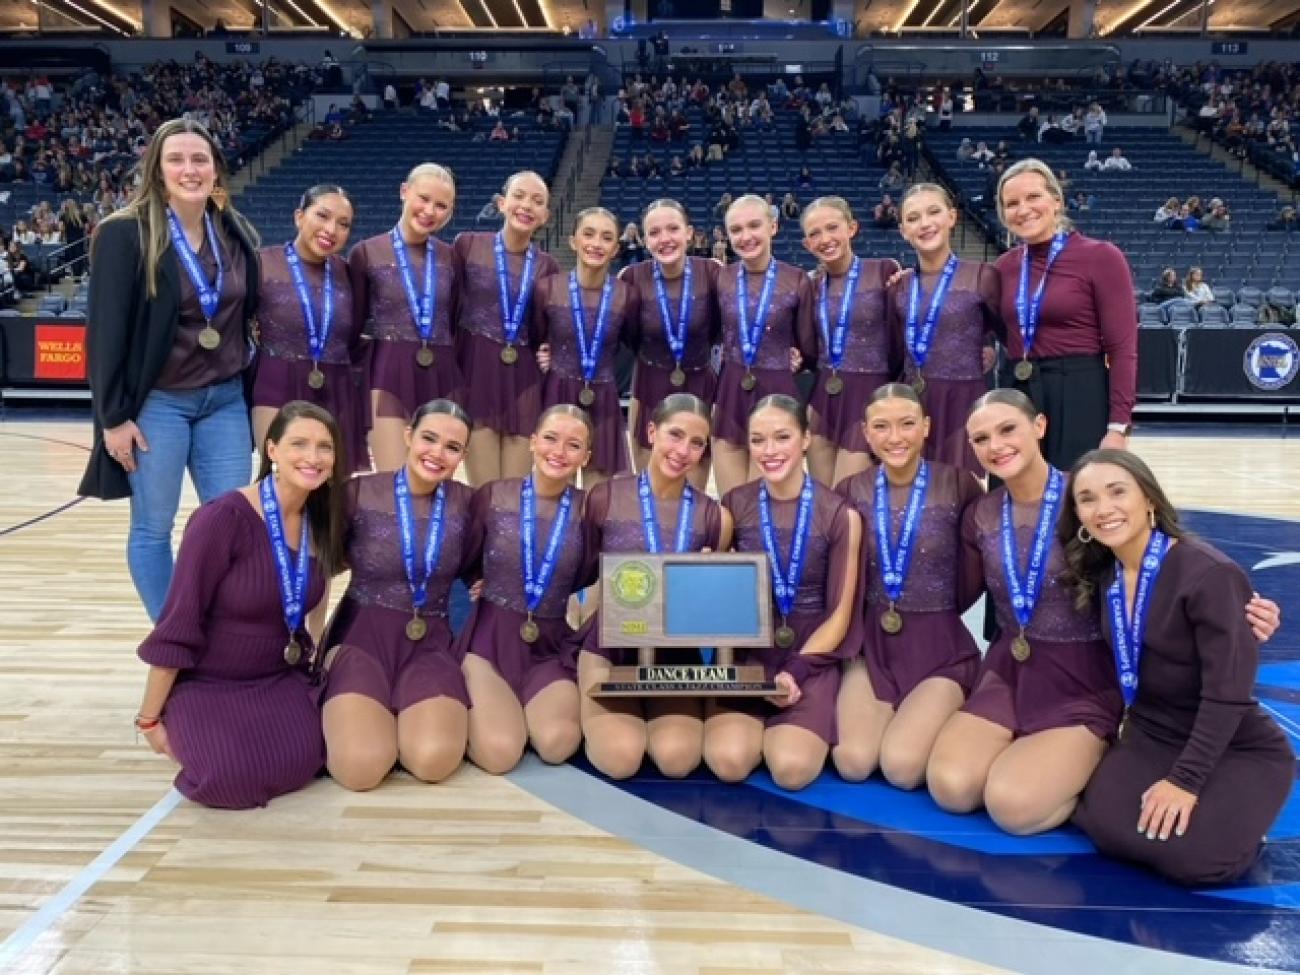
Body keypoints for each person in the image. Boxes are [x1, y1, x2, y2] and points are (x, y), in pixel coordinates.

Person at [1062, 450, 1292, 884]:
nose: (1104, 509)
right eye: (1087, 499)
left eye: (1117, 492)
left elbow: (1228, 694)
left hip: (1230, 741)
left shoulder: (1208, 574)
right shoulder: (1104, 574)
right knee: (1104, 827)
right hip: (1153, 733)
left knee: (1195, 863)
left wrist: (1184, 781)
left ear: (1149, 498)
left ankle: (1240, 825)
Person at [78, 117, 262, 621]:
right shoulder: (123, 233)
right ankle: (174, 641)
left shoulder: (234, 230)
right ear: (157, 171)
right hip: (158, 403)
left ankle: (222, 638)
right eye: (176, 159)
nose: (189, 169)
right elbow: (106, 334)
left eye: (199, 159)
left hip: (224, 400)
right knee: (153, 527)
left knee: (230, 526)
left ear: (216, 169)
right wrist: (112, 419)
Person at [925, 390, 1122, 834]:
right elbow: (955, 594)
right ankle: (1039, 760)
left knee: (1011, 808)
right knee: (952, 789)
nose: (995, 445)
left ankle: (1094, 755)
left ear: (1039, 426)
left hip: (1081, 678)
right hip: (1008, 670)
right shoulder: (981, 513)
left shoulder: (1087, 494)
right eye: (981, 439)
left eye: (1007, 429)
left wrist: (1232, 603)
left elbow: (1156, 555)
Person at [135, 401, 346, 808]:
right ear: (271, 451)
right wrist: (149, 720)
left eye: (325, 447)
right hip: (210, 683)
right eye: (299, 443)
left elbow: (313, 597)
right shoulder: (222, 519)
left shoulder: (321, 520)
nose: (313, 457)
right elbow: (179, 622)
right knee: (229, 781)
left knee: (308, 763)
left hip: (278, 676)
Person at [322, 400, 478, 790]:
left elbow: (485, 562)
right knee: (359, 770)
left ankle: (398, 716)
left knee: (433, 761)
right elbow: (321, 567)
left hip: (432, 642)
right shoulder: (358, 492)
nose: (437, 454)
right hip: (362, 636)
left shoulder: (467, 503)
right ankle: (374, 717)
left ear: (463, 456)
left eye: (452, 447)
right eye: (428, 438)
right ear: (408, 436)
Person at [832, 385, 983, 785]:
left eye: (907, 424)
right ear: (865, 433)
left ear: (927, 427)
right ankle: (895, 714)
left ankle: (938, 710)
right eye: (881, 426)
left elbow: (976, 569)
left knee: (901, 767)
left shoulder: (960, 484)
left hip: (940, 648)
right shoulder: (850, 491)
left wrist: (940, 609)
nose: (895, 437)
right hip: (871, 648)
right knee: (853, 761)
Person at [709, 396, 862, 790]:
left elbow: (840, 615)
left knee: (791, 770)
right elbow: (715, 596)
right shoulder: (734, 506)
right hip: (749, 655)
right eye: (758, 440)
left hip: (809, 657)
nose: (770, 451)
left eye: (782, 437)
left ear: (806, 439)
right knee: (729, 762)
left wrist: (795, 672)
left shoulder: (839, 512)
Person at [576, 394, 730, 779]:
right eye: (675, 435)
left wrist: (710, 582)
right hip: (609, 645)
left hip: (674, 654)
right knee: (622, 759)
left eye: (696, 443)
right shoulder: (605, 497)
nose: (683, 451)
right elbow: (580, 573)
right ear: (651, 432)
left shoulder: (713, 516)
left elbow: (710, 604)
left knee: (677, 760)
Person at [456, 405, 594, 774]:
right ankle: (497, 713)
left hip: (549, 645)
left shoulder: (589, 511)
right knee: (500, 754)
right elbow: (463, 555)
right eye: (550, 438)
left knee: (557, 744)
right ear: (533, 442)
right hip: (490, 641)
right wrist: (476, 581)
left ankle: (517, 712)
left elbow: (602, 568)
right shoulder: (492, 496)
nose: (559, 451)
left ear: (586, 457)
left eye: (573, 445)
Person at [993, 158, 1137, 470]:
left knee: (1073, 503)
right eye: (1012, 203)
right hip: (1018, 392)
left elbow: (1123, 349)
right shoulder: (1003, 267)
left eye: (1033, 197)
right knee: (1014, 504)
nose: (1023, 209)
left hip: (1079, 392)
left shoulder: (1100, 256)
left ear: (1056, 201)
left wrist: (1118, 427)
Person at [349, 163, 463, 472]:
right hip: (387, 372)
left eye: (441, 206)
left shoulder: (452, 257)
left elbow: (455, 318)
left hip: (441, 373)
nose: (430, 210)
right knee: (392, 480)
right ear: (404, 192)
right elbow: (352, 323)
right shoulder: (366, 252)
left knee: (434, 479)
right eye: (423, 198)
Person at [453, 170, 559, 485]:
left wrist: (552, 350)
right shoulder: (468, 245)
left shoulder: (547, 266)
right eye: (519, 196)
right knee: (483, 491)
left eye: (537, 201)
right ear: (501, 203)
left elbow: (550, 327)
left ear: (545, 215)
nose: (527, 205)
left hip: (523, 382)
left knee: (514, 496)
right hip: (475, 376)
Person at [889, 184, 1003, 476]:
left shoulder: (983, 276)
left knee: (961, 495)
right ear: (903, 230)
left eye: (933, 212)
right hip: (912, 403)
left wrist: (987, 346)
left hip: (964, 403)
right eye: (913, 218)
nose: (925, 223)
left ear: (952, 217)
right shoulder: (899, 286)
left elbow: (1003, 333)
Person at [254, 185, 367, 474]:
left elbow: (358, 335)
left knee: (334, 490)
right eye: (323, 216)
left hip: (337, 389)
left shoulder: (349, 273)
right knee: (278, 485)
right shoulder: (261, 263)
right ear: (299, 216)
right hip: (275, 384)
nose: (332, 229)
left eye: (343, 224)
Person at [711, 195, 816, 496]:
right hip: (731, 389)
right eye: (736, 230)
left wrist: (799, 357)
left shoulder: (796, 279)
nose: (746, 236)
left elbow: (809, 345)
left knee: (767, 499)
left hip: (778, 389)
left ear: (773, 226)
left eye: (754, 225)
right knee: (731, 500)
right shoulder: (722, 278)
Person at [620, 199, 720, 489]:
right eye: (654, 232)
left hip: (699, 383)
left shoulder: (712, 273)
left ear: (689, 233)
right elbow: (615, 332)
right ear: (644, 238)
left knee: (692, 490)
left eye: (673, 229)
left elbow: (734, 322)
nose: (664, 239)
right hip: (649, 384)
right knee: (649, 487)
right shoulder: (631, 277)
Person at [802, 196, 900, 486]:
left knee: (850, 497)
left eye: (833, 228)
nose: (825, 239)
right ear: (807, 244)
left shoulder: (885, 271)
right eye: (814, 234)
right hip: (824, 397)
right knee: (824, 499)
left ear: (852, 228)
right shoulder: (810, 285)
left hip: (870, 395)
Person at [534, 208, 636, 487]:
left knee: (599, 495)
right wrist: (540, 355)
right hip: (557, 391)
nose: (596, 243)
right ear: (573, 240)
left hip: (602, 394)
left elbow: (636, 341)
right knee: (554, 487)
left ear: (615, 248)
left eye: (606, 237)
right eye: (588, 234)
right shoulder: (547, 289)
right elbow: (531, 338)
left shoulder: (626, 295)